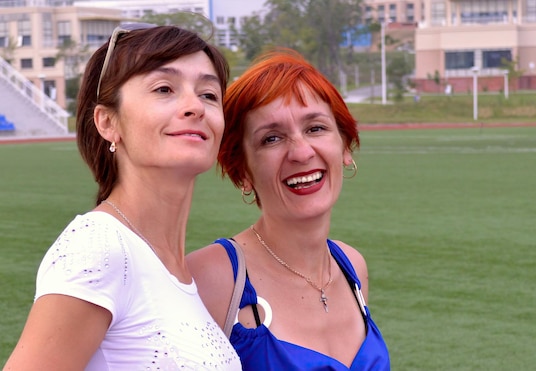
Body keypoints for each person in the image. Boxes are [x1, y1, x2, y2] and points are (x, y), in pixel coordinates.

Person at [4, 23, 241, 370]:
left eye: (209, 94)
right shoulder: (99, 248)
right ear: (107, 123)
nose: (195, 106)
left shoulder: (180, 273)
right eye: (164, 88)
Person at [187, 49, 391, 370]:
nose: (301, 152)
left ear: (345, 147)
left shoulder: (352, 266)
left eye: (315, 128)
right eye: (271, 138)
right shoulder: (211, 278)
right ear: (242, 172)